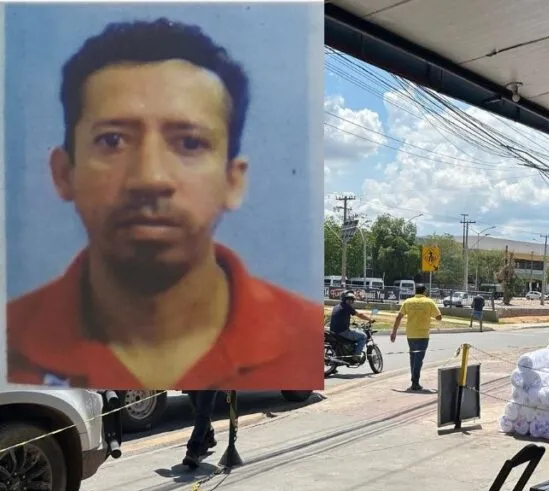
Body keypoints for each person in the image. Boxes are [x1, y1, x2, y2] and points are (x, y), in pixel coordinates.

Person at [6, 19, 322, 390]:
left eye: (189, 143)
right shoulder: (10, 339)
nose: (150, 178)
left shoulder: (307, 337)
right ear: (64, 173)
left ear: (233, 181)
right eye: (112, 140)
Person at [390, 284, 442, 391]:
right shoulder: (429, 302)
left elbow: (398, 317)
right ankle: (415, 382)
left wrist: (394, 332)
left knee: (413, 357)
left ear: (415, 291)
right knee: (418, 359)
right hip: (423, 335)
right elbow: (439, 317)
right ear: (424, 291)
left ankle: (414, 380)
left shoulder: (408, 302)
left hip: (411, 334)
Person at [329, 291, 374, 358]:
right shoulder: (346, 307)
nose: (350, 301)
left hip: (333, 331)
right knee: (363, 336)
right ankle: (356, 356)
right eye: (348, 299)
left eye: (352, 299)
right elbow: (359, 315)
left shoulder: (337, 306)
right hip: (342, 332)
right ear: (344, 299)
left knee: (354, 331)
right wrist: (370, 319)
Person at [183, 390, 220, 468]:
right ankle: (209, 435)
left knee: (203, 411)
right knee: (198, 409)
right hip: (192, 379)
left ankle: (193, 450)